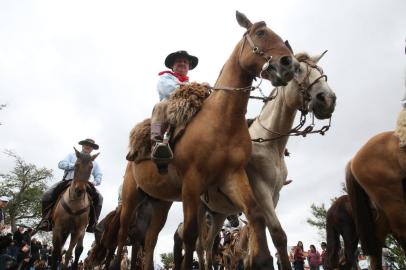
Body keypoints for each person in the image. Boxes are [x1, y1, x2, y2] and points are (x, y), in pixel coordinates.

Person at [39, 138, 103, 233]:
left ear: (92, 149)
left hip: (85, 184)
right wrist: (76, 165)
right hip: (68, 181)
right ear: (83, 146)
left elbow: (98, 175)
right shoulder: (71, 155)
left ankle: (93, 223)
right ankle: (45, 220)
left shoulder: (94, 162)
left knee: (100, 198)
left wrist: (95, 182)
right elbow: (61, 164)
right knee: (47, 194)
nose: (88, 147)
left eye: (90, 146)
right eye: (86, 145)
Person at [149, 50, 199, 172]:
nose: (182, 63)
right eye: (179, 61)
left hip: (187, 107)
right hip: (169, 106)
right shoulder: (165, 77)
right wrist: (191, 89)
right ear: (173, 66)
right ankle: (156, 141)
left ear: (189, 67)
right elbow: (168, 91)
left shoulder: (190, 83)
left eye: (185, 62)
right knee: (160, 106)